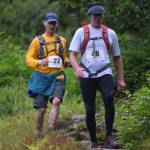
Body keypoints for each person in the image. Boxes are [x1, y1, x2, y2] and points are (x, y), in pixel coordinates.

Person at [69, 2, 126, 149]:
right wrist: (77, 68)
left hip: (104, 72)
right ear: (90, 16)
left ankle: (109, 136)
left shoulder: (110, 33)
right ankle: (93, 140)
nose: (97, 18)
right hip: (86, 74)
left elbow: (117, 57)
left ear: (103, 16)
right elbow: (72, 55)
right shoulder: (81, 32)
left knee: (109, 98)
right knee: (90, 109)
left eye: (100, 15)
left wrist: (120, 78)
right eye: (95, 15)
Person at [26, 12, 68, 138]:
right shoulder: (37, 41)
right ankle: (38, 134)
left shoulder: (62, 41)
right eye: (50, 23)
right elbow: (28, 59)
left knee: (56, 102)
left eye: (54, 23)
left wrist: (68, 63)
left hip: (58, 76)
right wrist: (38, 61)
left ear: (57, 24)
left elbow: (63, 59)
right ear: (44, 23)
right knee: (41, 109)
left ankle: (51, 129)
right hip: (41, 77)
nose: (52, 25)